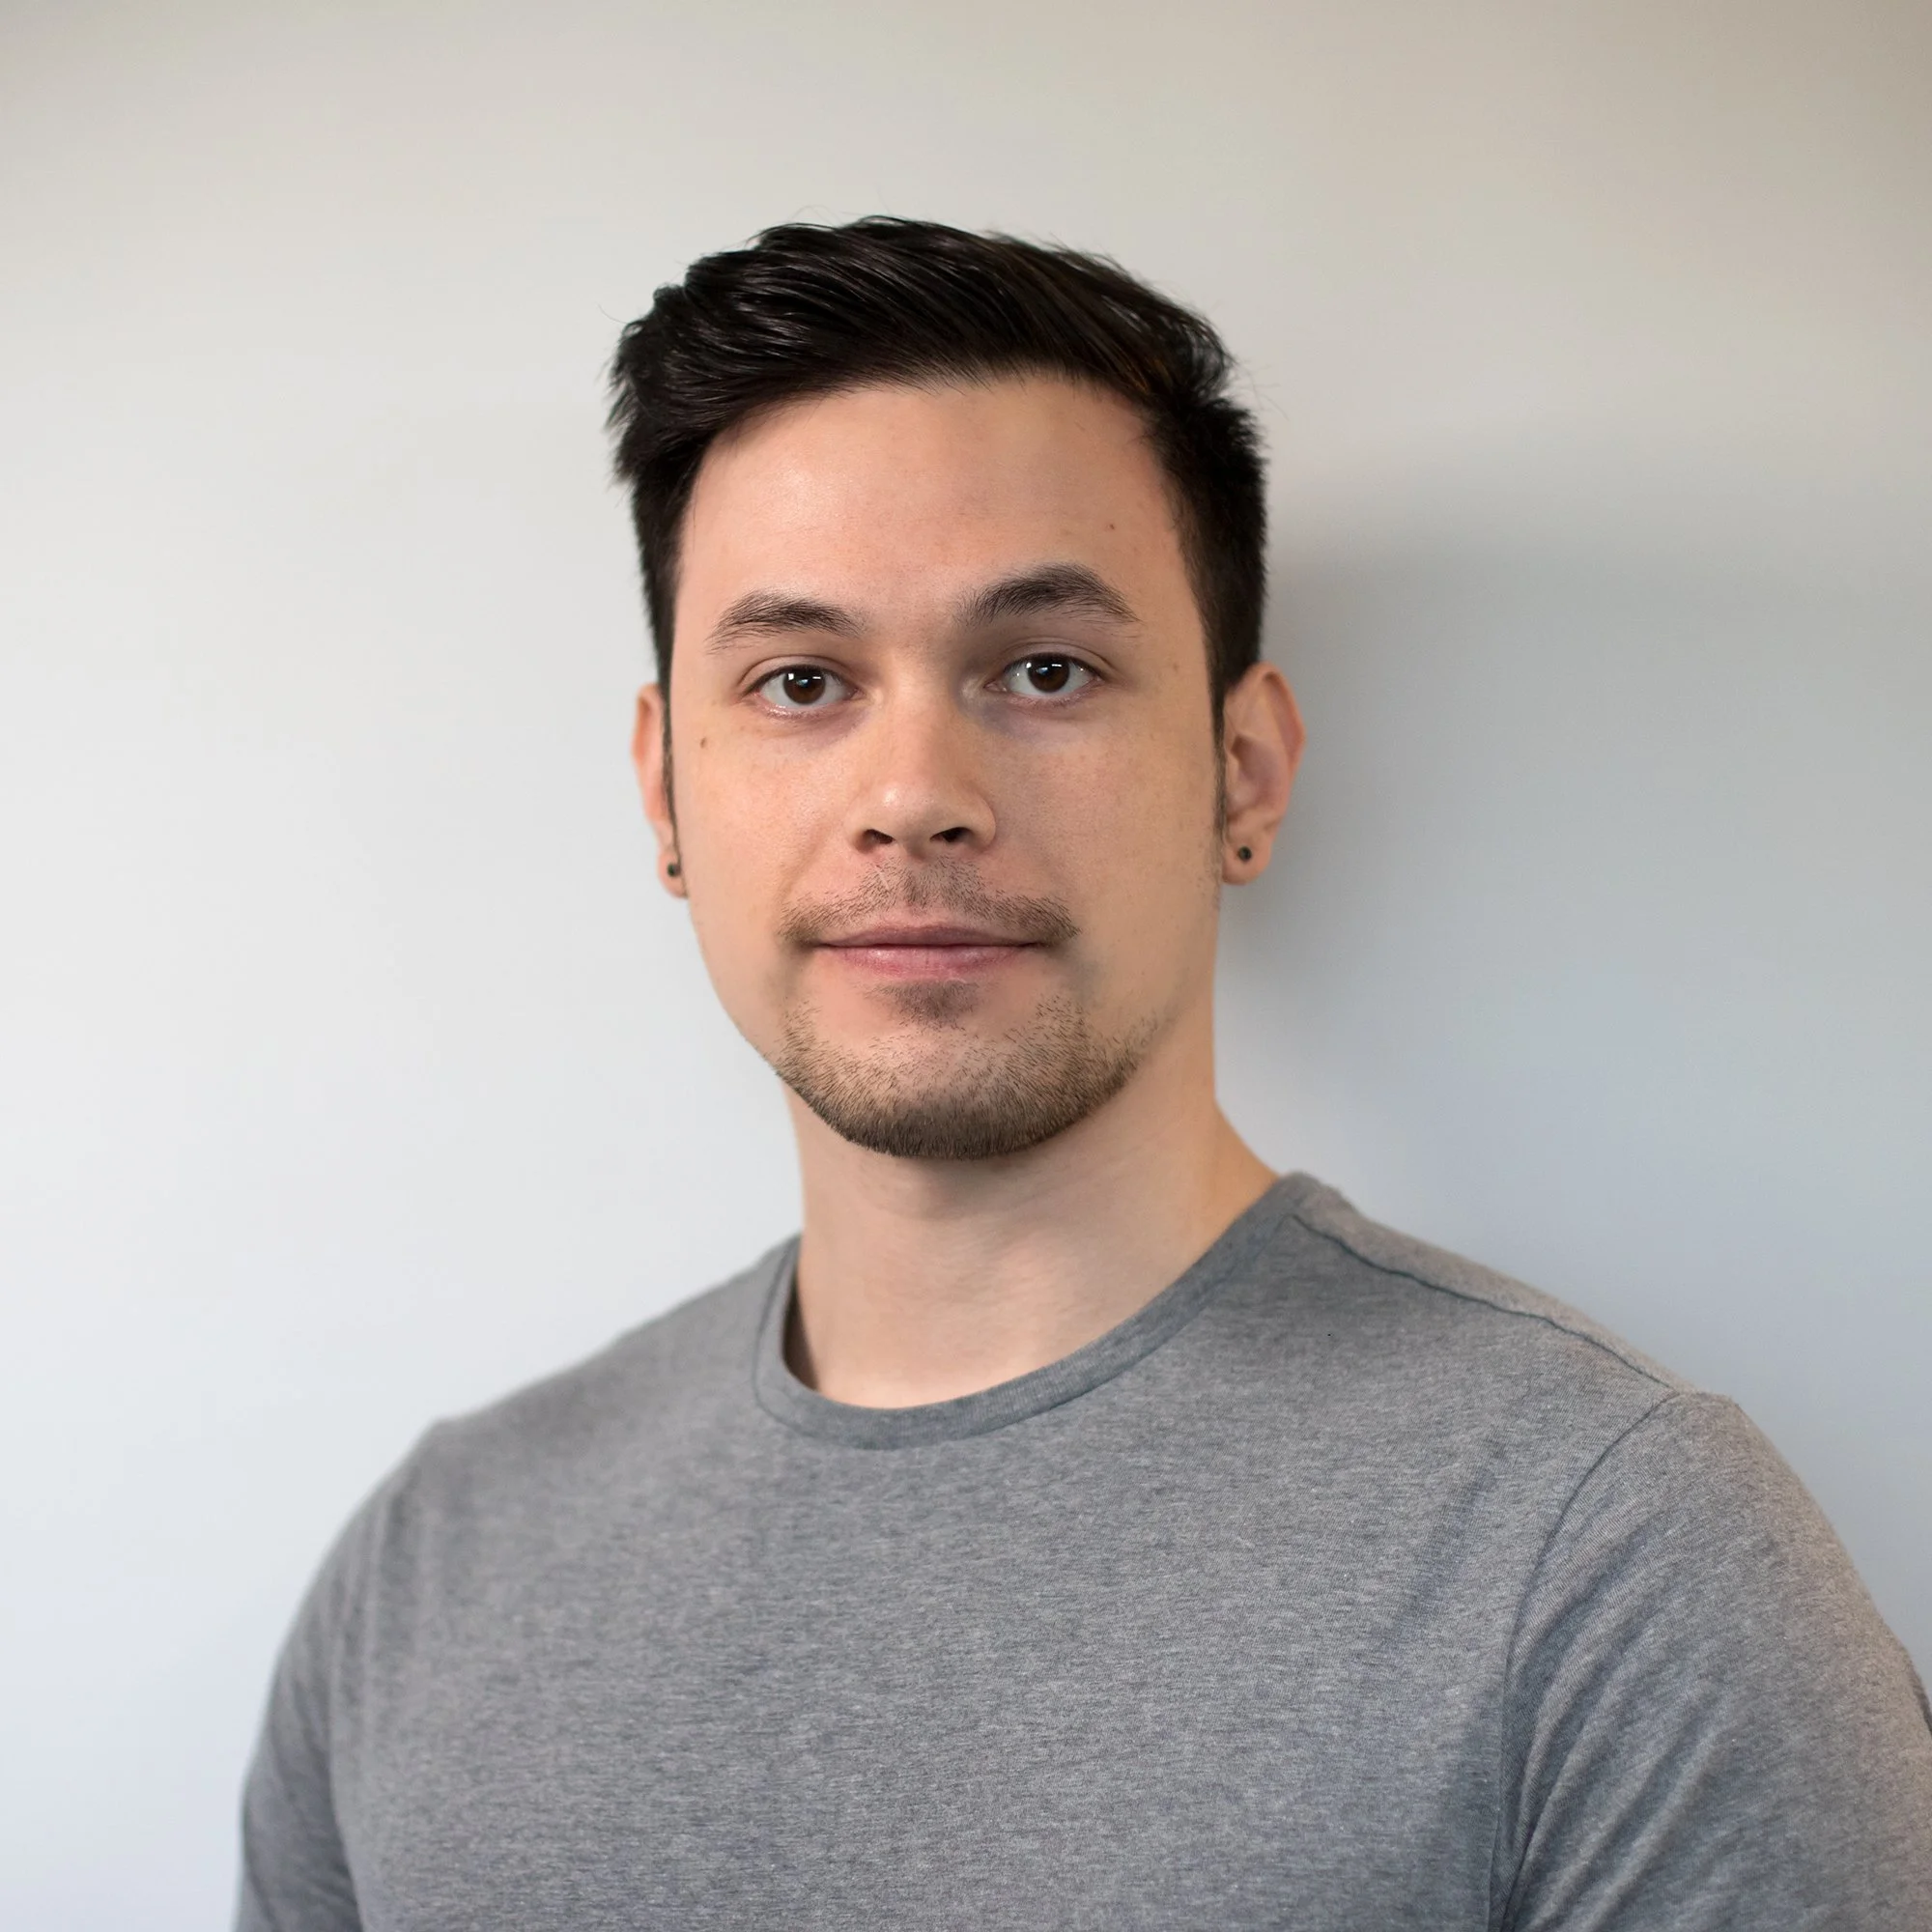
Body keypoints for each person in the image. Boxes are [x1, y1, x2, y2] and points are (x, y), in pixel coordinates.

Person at [237, 218, 1932, 1931]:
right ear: (669, 793)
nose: (916, 793)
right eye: (800, 682)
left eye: (1043, 670)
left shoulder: (1614, 1563)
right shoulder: (433, 1573)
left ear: (1244, 774)